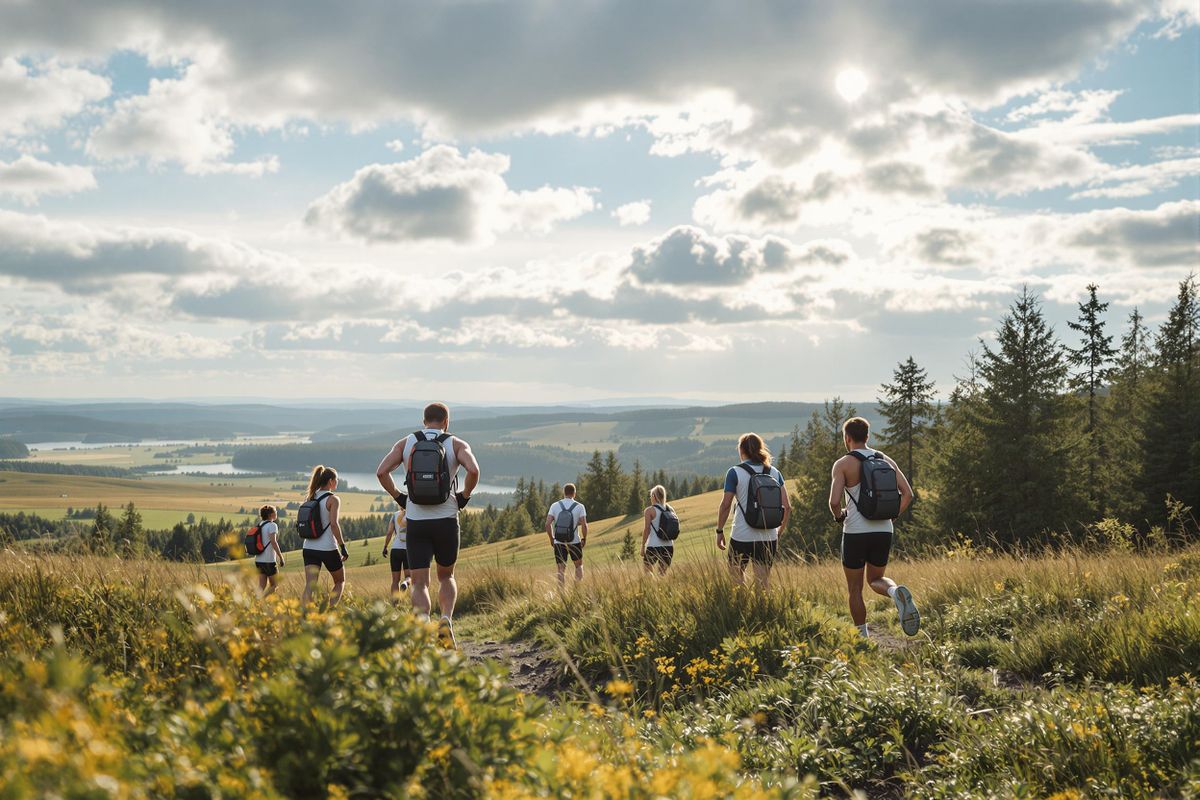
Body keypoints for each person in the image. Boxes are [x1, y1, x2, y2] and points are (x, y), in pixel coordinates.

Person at [375, 402, 480, 649]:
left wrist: (400, 497)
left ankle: (422, 625)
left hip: (417, 522)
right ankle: (445, 620)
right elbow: (474, 470)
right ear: (446, 421)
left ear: (424, 421)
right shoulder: (456, 443)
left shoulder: (406, 442)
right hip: (446, 519)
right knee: (446, 576)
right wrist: (464, 495)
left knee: (420, 581)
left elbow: (381, 472)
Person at [828, 416, 919, 638]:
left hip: (855, 533)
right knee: (876, 579)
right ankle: (895, 591)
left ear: (847, 438)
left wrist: (839, 517)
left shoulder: (843, 464)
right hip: (883, 530)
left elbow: (833, 501)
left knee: (855, 589)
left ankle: (863, 637)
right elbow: (908, 494)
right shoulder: (886, 460)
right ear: (867, 436)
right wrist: (893, 515)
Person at [715, 433, 790, 590]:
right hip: (768, 536)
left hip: (742, 535)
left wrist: (719, 530)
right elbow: (787, 507)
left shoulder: (734, 472)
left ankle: (740, 611)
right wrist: (778, 533)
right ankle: (763, 613)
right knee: (763, 583)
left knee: (736, 580)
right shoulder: (775, 473)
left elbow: (726, 505)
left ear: (742, 451)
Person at [300, 465, 349, 609]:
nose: (337, 482)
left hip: (308, 547)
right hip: (327, 548)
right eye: (337, 479)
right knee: (340, 581)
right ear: (331, 481)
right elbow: (334, 525)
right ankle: (329, 612)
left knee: (310, 585)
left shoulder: (310, 496)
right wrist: (343, 547)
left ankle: (304, 616)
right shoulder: (333, 499)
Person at [545, 483, 588, 587]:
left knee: (560, 569)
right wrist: (584, 539)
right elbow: (584, 525)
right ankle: (577, 590)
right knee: (578, 566)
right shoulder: (580, 506)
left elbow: (547, 524)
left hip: (559, 541)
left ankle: (561, 595)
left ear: (564, 493)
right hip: (574, 541)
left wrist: (552, 539)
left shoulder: (554, 506)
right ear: (574, 493)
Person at [641, 484, 676, 575]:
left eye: (650, 496)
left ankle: (651, 589)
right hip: (669, 546)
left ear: (653, 496)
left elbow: (647, 530)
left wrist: (642, 546)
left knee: (647, 573)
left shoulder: (649, 511)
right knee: (662, 575)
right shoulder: (670, 509)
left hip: (654, 546)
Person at [254, 504, 285, 596]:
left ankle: (255, 602)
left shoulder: (260, 525)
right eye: (275, 512)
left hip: (259, 560)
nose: (276, 513)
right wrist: (281, 557)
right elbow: (273, 542)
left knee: (261, 586)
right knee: (274, 585)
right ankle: (262, 601)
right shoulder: (272, 525)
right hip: (269, 560)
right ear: (270, 515)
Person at [382, 505, 411, 602]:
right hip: (408, 550)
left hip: (395, 549)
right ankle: (406, 584)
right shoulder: (413, 514)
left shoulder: (395, 515)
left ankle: (395, 603)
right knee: (409, 576)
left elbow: (389, 532)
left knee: (395, 580)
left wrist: (385, 547)